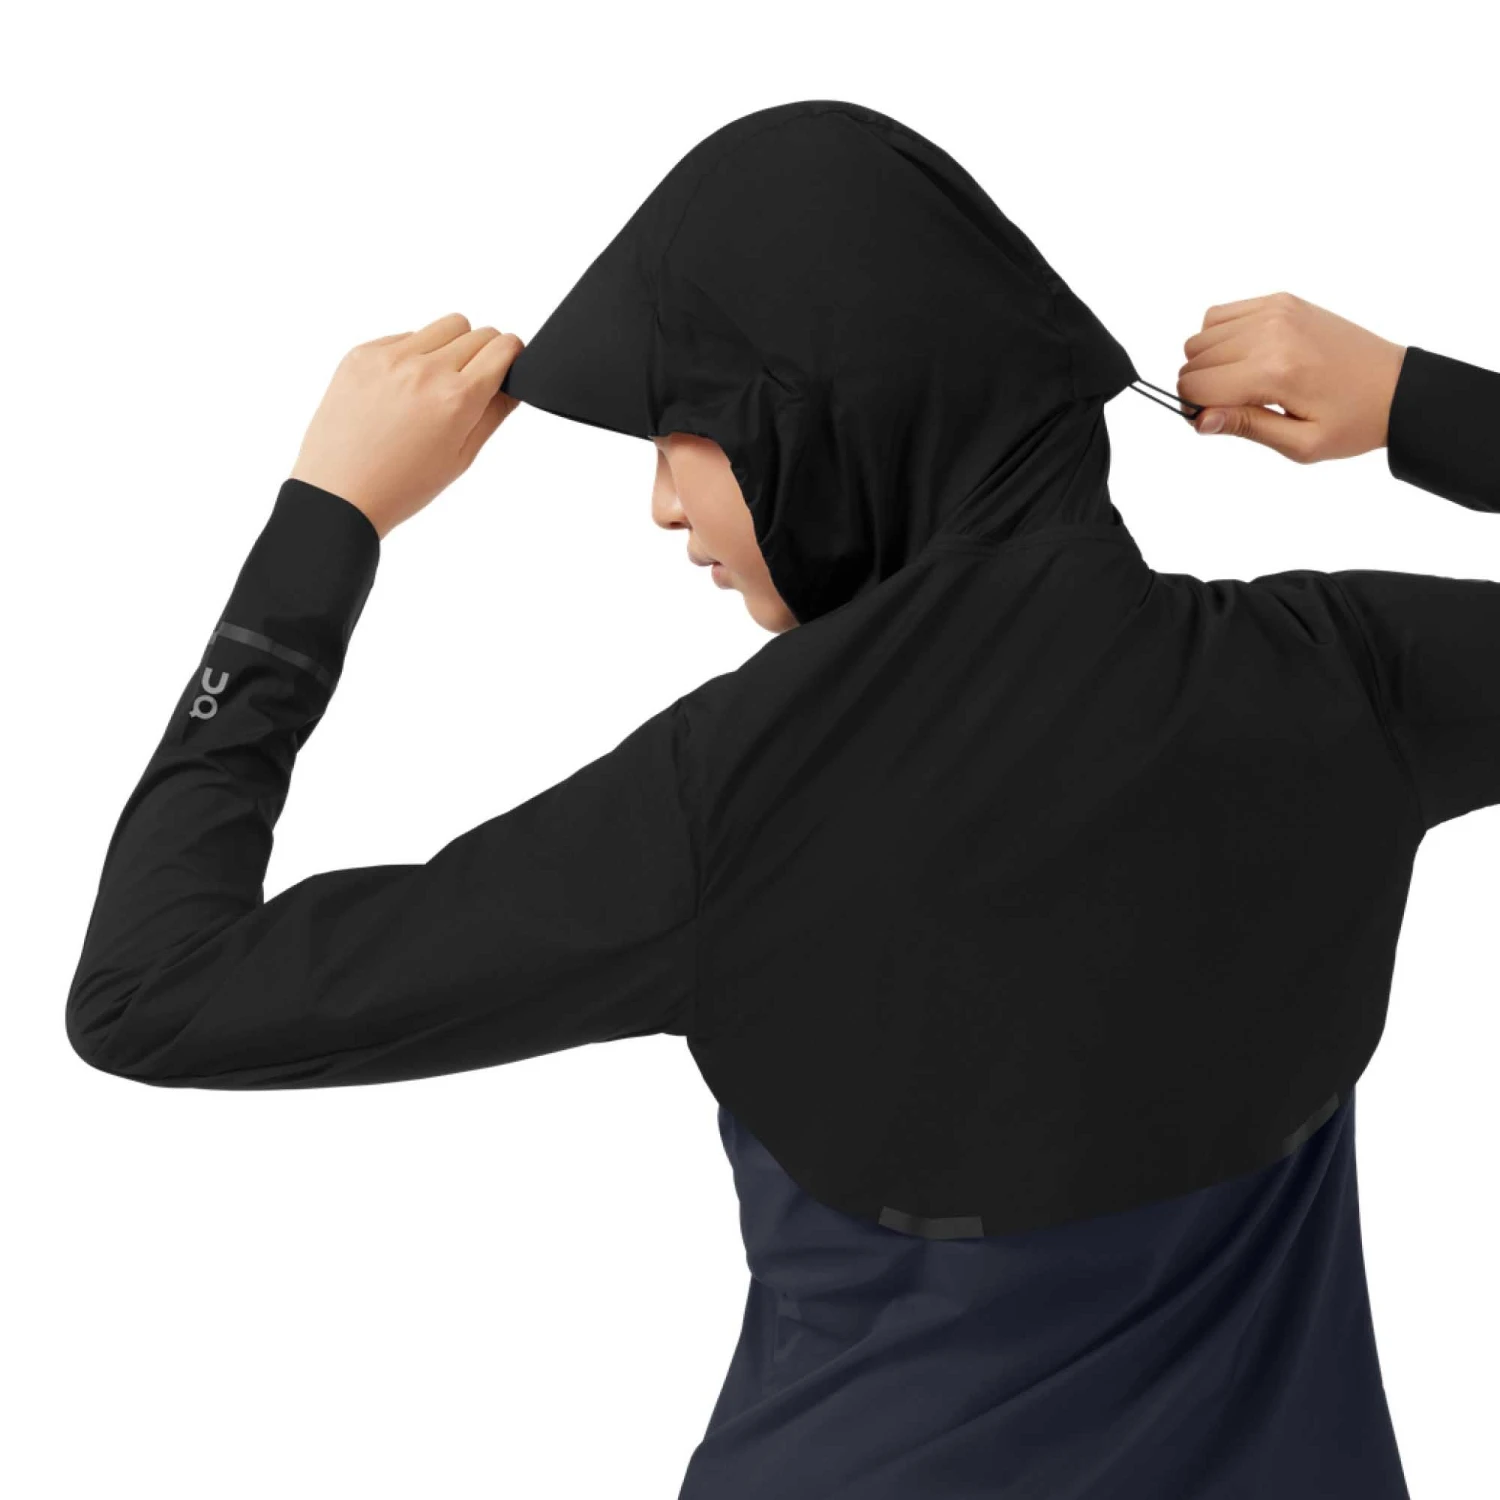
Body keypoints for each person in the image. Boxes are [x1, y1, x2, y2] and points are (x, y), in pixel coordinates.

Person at [63, 98, 1500, 1497]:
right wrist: (1413, 401)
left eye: (678, 428)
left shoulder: (726, 805)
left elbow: (151, 991)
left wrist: (327, 522)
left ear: (815, 417)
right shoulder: (1343, 680)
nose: (661, 504)